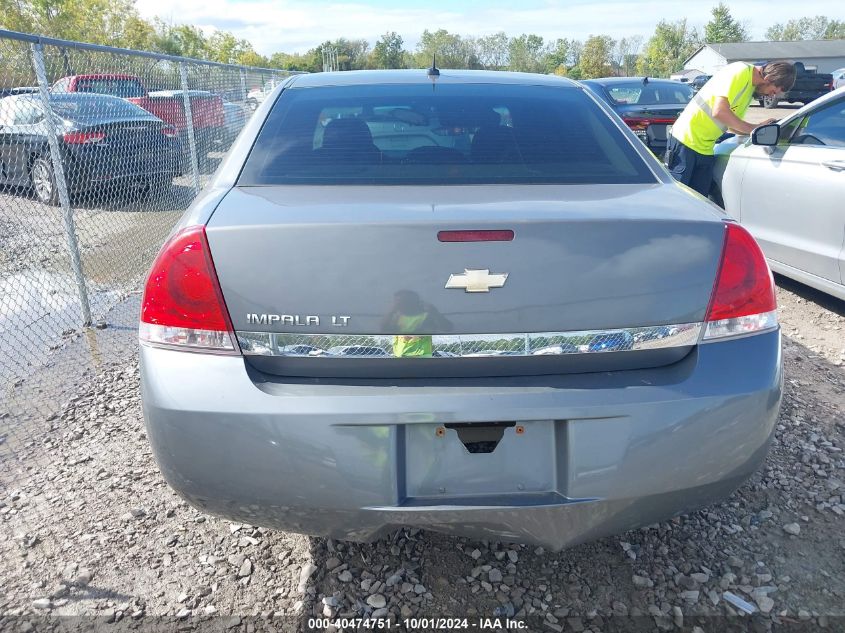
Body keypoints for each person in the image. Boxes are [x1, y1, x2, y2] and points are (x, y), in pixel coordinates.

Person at [665, 60, 797, 196]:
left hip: (705, 148)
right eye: (773, 91)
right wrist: (754, 127)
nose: (771, 96)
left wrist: (759, 130)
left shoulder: (750, 88)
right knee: (677, 200)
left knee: (700, 205)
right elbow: (719, 112)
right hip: (685, 142)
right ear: (768, 78)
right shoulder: (740, 72)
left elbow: (732, 125)